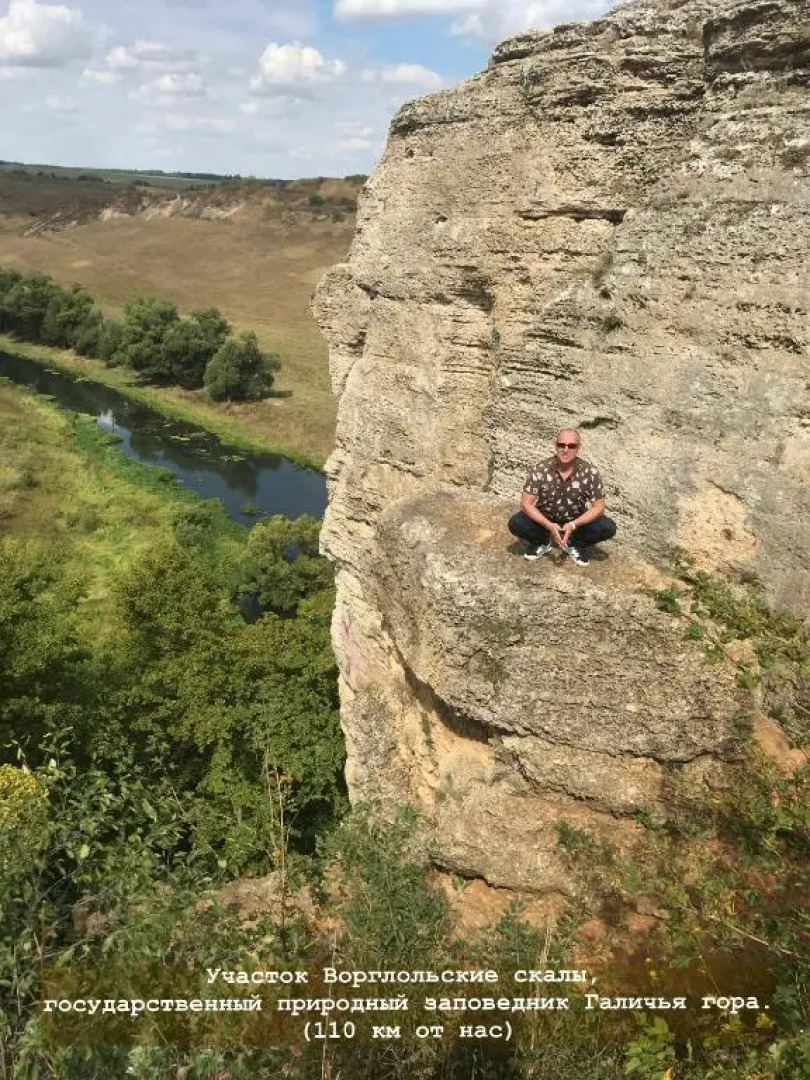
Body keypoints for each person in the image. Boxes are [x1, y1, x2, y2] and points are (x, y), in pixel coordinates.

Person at [508, 428, 616, 566]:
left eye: (571, 446)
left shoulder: (590, 472)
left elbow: (599, 508)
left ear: (578, 448)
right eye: (561, 445)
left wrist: (573, 525)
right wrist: (548, 525)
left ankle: (575, 543)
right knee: (516, 523)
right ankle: (542, 541)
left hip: (576, 522)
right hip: (545, 521)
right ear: (556, 446)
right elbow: (526, 503)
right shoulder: (541, 469)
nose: (566, 449)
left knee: (607, 527)